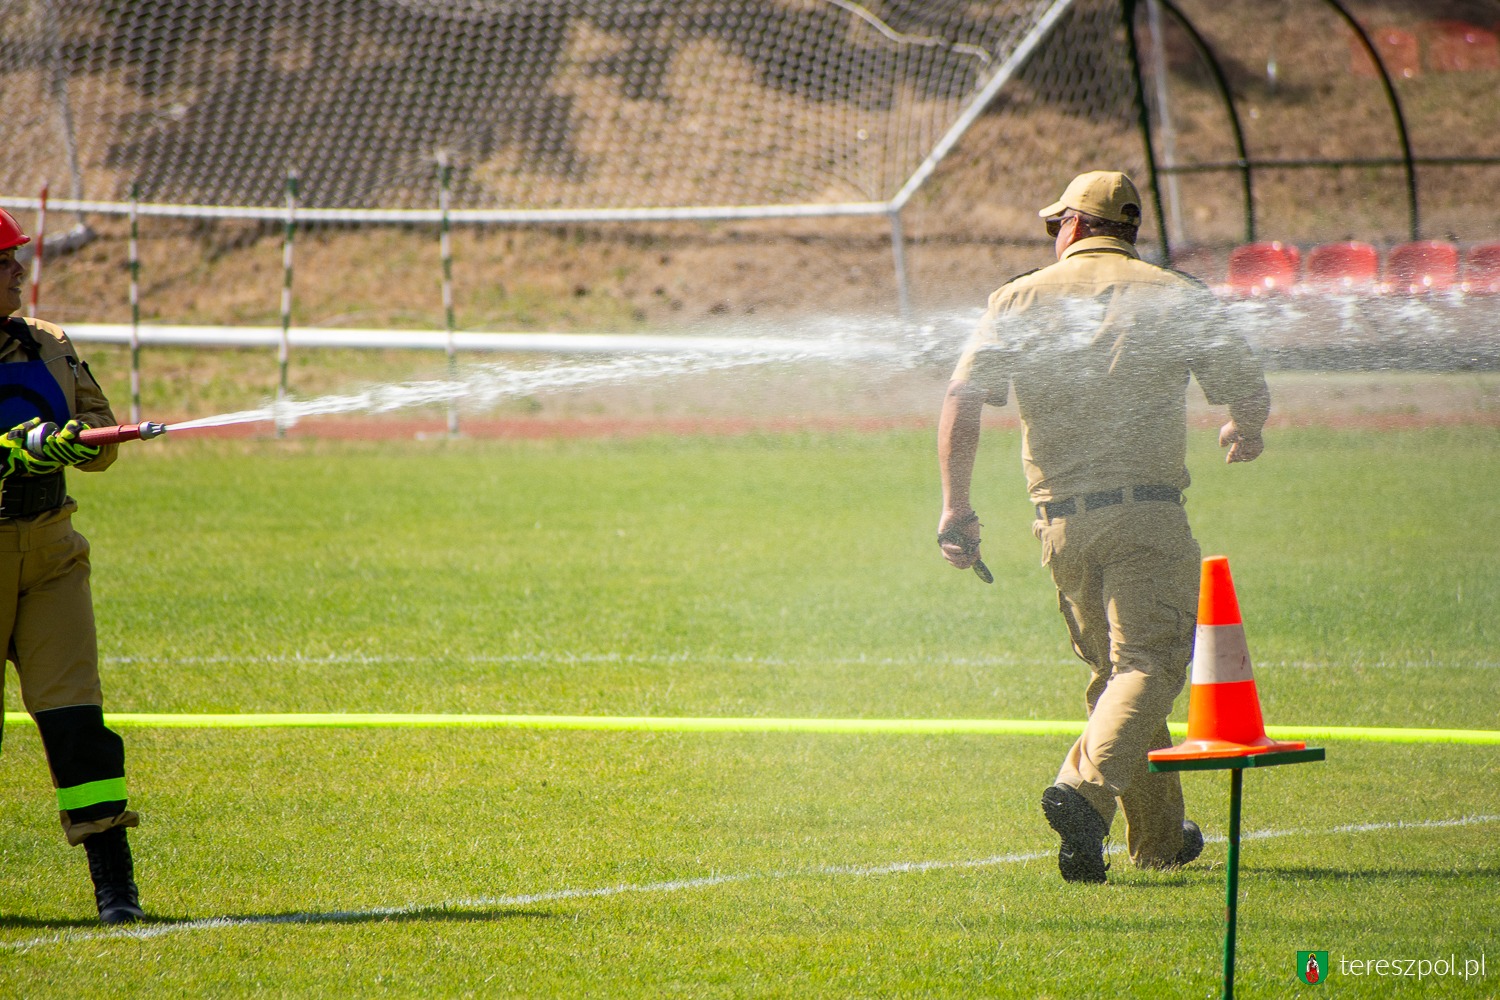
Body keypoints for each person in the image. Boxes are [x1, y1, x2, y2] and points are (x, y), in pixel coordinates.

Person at [935, 171, 1270, 883]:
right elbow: (1245, 381)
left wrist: (955, 506)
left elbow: (963, 398)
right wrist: (1245, 426)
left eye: (1055, 223)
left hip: (1059, 526)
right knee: (1148, 666)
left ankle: (1160, 842)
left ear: (1076, 226)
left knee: (1119, 680)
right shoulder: (1175, 294)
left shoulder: (1018, 298)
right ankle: (1082, 793)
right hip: (1147, 515)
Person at [0, 207, 144, 922]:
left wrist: (71, 439)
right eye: (3, 261)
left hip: (52, 551)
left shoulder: (51, 343)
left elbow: (101, 437)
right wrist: (11, 448)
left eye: (16, 257)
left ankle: (115, 888)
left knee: (77, 719)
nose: (17, 269)